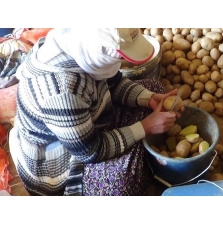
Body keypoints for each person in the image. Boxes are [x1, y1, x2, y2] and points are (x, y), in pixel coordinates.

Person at [8, 28, 182, 196]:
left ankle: (138, 146)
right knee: (123, 183)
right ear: (100, 53)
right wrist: (145, 127)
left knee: (154, 87)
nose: (121, 63)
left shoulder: (81, 45)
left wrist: (149, 98)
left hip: (86, 121)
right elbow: (90, 151)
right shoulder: (61, 93)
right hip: (68, 159)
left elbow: (113, 83)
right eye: (119, 57)